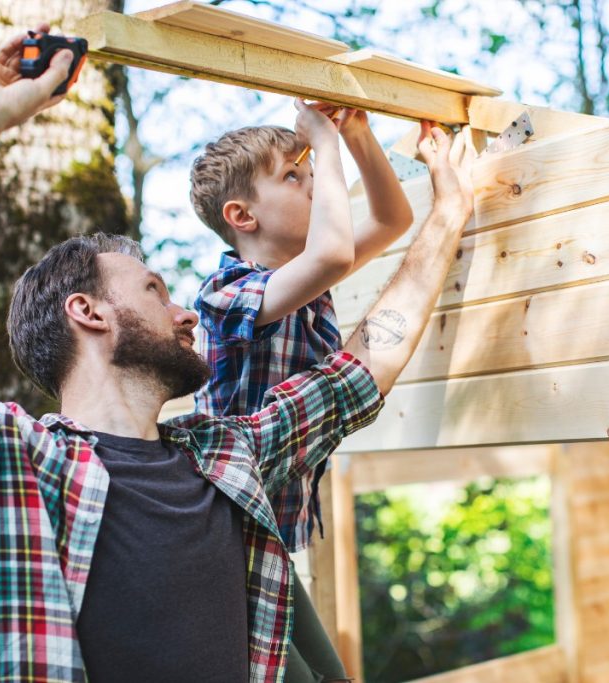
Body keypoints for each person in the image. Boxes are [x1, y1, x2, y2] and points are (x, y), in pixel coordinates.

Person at [0, 26, 475, 683]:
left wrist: (450, 211)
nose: (185, 311)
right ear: (88, 312)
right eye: (154, 290)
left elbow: (360, 371)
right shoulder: (11, 466)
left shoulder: (226, 458)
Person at [189, 98, 414, 682]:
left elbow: (392, 220)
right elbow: (335, 251)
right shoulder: (225, 296)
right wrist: (325, 142)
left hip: (261, 546)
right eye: (294, 176)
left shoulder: (309, 284)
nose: (314, 186)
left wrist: (359, 137)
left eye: (312, 174)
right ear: (242, 215)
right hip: (213, 546)